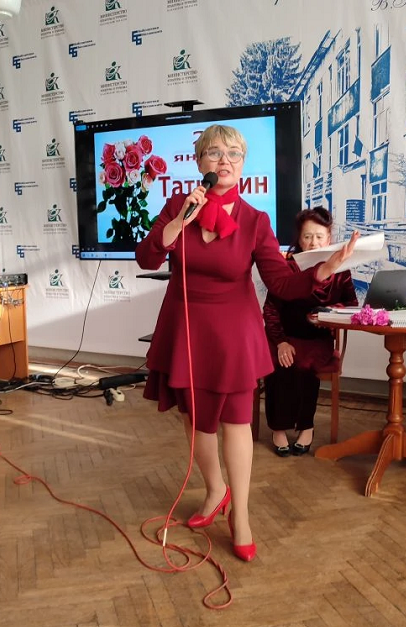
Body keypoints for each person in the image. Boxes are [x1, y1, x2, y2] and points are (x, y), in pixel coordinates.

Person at [135, 125, 358, 562]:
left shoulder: (255, 221)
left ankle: (241, 515)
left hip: (234, 335)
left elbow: (282, 283)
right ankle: (215, 490)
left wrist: (324, 269)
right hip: (185, 330)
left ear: (243, 164)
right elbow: (147, 256)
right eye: (214, 153)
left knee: (236, 422)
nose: (224, 161)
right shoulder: (178, 205)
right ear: (199, 162)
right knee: (196, 422)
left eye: (233, 154)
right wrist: (181, 221)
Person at [262, 207, 358, 456]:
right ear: (299, 239)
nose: (313, 242)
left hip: (317, 339)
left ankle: (306, 425)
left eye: (319, 236)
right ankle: (278, 428)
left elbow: (351, 305)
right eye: (307, 236)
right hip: (283, 337)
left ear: (329, 238)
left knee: (305, 365)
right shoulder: (286, 267)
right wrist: (280, 342)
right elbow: (270, 310)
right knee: (281, 364)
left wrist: (328, 313)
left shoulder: (340, 271)